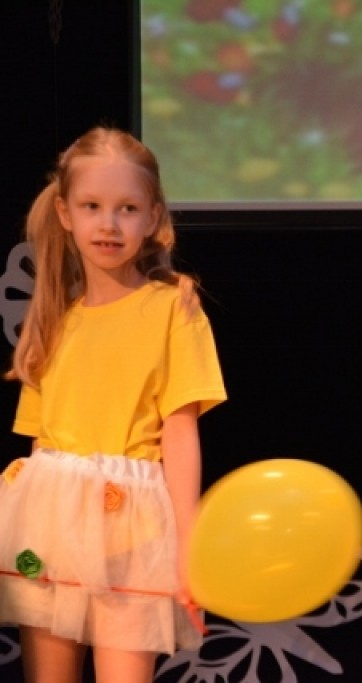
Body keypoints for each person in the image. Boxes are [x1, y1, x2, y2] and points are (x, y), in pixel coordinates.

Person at [0, 127, 226, 682]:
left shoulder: (173, 308)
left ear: (152, 218)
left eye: (127, 208)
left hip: (134, 531)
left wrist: (188, 549)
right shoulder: (53, 320)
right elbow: (40, 446)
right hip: (50, 524)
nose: (109, 224)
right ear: (65, 213)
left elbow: (180, 431)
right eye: (92, 206)